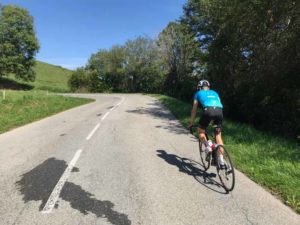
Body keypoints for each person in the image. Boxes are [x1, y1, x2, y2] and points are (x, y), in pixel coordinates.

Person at [188, 80, 225, 166]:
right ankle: (221, 160)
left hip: (208, 111)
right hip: (219, 112)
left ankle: (208, 145)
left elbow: (194, 109)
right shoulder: (215, 92)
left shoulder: (198, 93)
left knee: (201, 131)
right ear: (208, 87)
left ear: (199, 87)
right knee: (218, 135)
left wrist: (191, 122)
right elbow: (218, 104)